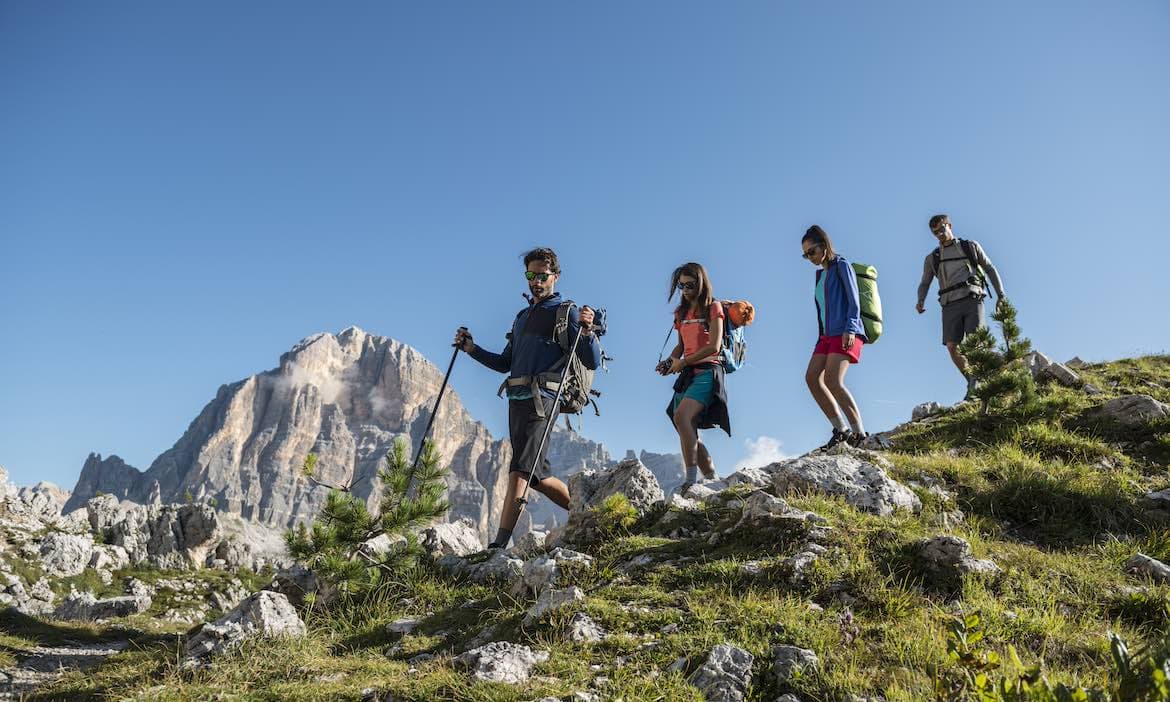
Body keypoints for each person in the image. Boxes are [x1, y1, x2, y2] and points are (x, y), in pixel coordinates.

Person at [455, 247, 600, 549]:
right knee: (536, 475)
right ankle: (591, 515)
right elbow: (504, 363)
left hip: (544, 399)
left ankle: (499, 544)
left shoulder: (566, 312)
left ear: (555, 277)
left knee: (520, 469)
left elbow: (591, 360)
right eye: (531, 275)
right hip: (516, 398)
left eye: (542, 276)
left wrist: (587, 330)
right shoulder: (521, 317)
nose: (536, 281)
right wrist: (471, 349)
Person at [915, 214, 1007, 398]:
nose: (940, 234)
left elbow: (989, 268)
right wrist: (920, 300)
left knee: (976, 344)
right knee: (952, 346)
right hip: (949, 303)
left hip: (972, 297)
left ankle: (981, 383)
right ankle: (973, 381)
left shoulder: (969, 246)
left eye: (942, 229)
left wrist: (1000, 294)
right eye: (936, 232)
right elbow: (925, 282)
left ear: (949, 225)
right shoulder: (933, 258)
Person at [657, 262, 729, 490]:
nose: (686, 290)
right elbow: (681, 345)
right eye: (681, 285)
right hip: (688, 373)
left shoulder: (713, 308)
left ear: (701, 283)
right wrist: (669, 362)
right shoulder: (681, 313)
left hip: (708, 371)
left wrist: (683, 362)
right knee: (686, 429)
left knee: (681, 418)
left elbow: (714, 346)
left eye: (690, 284)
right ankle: (712, 480)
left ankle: (690, 481)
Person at [801, 225, 868, 449]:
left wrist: (850, 327)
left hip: (846, 331)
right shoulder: (820, 274)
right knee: (811, 377)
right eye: (805, 254)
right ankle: (841, 429)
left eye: (811, 252)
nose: (809, 257)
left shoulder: (841, 266)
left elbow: (853, 299)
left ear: (824, 246)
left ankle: (859, 434)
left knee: (833, 381)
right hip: (826, 336)